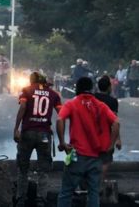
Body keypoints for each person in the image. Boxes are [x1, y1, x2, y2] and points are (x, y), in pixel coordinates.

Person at [56, 77, 121, 207]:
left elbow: (59, 119)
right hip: (96, 158)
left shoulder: (71, 104)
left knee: (66, 192)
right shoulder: (100, 105)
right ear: (92, 88)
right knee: (94, 193)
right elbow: (116, 122)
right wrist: (111, 145)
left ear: (77, 89)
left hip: (77, 156)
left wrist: (62, 142)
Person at [13, 72, 62, 207]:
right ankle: (41, 199)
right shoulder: (53, 94)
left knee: (23, 168)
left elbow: (23, 107)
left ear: (31, 81)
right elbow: (62, 113)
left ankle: (20, 199)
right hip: (44, 135)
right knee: (43, 169)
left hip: (27, 133)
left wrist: (16, 128)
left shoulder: (26, 91)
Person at [94, 76, 121, 183]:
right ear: (109, 87)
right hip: (107, 136)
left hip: (91, 134)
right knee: (105, 161)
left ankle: (90, 183)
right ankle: (99, 182)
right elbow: (115, 122)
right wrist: (118, 139)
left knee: (91, 160)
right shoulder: (113, 101)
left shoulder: (93, 98)